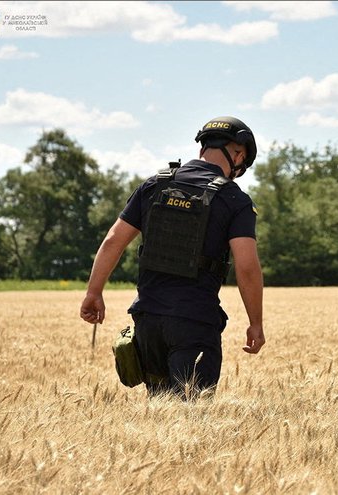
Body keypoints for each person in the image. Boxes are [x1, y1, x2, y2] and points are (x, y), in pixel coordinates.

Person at [80, 116, 265, 399]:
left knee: (160, 421)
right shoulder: (233, 199)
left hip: (148, 321)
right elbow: (247, 267)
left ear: (204, 146)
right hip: (194, 323)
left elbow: (112, 241)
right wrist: (255, 322)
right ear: (238, 153)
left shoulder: (155, 185)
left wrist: (94, 292)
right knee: (191, 420)